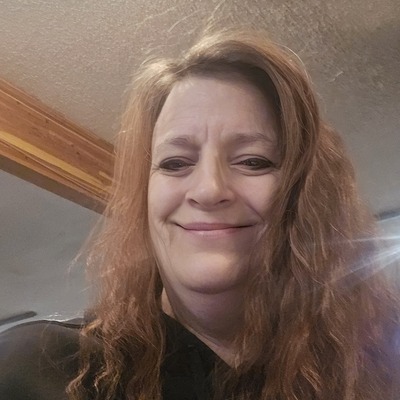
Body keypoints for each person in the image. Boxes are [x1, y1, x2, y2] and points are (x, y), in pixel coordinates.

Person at [0, 29, 399, 400]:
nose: (209, 190)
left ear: (302, 195)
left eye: (253, 161)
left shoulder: (368, 371)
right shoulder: (42, 370)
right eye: (175, 163)